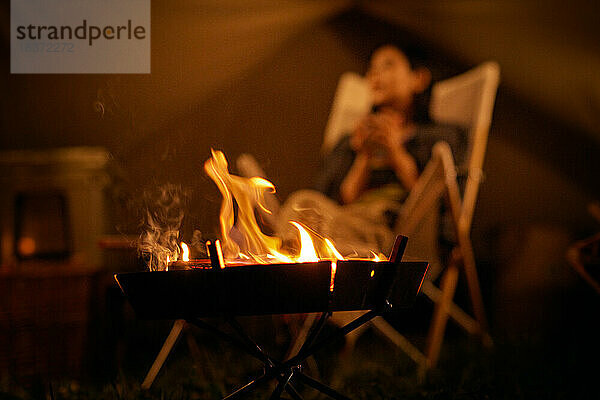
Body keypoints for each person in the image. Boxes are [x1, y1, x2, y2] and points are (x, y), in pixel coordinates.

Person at [276, 45, 467, 256]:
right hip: (346, 219)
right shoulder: (351, 142)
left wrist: (396, 153)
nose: (375, 74)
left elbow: (435, 207)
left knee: (307, 230)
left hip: (388, 232)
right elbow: (340, 199)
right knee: (302, 205)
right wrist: (363, 157)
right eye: (372, 68)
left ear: (418, 78)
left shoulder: (440, 138)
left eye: (388, 65)